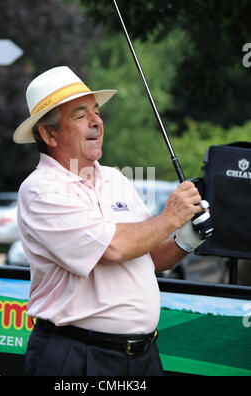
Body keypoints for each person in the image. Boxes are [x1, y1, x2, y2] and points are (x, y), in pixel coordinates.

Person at [13, 66, 207, 376]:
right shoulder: (40, 190)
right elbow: (113, 248)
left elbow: (149, 256)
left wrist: (187, 240)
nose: (96, 122)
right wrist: (171, 216)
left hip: (142, 356)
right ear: (49, 133)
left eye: (97, 112)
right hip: (77, 355)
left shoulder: (115, 178)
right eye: (80, 116)